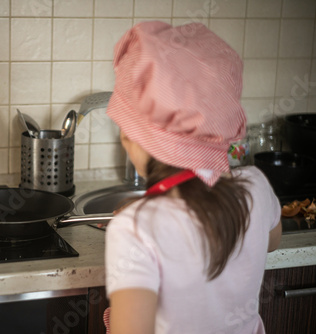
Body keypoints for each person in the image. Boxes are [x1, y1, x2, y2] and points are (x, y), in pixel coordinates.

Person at [103, 21, 282, 334]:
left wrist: (137, 223)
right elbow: (272, 240)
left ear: (137, 138)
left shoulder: (133, 229)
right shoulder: (255, 184)